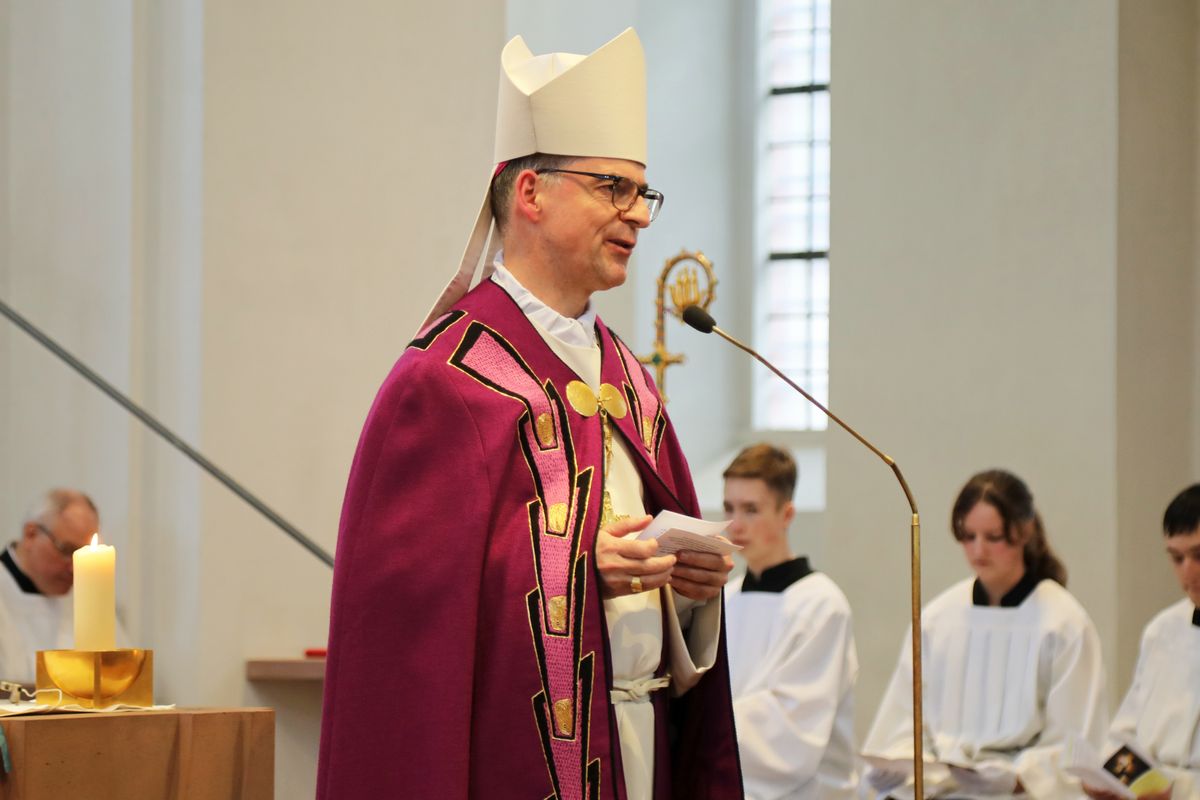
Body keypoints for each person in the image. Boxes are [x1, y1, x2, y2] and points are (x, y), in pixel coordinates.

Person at [317, 29, 743, 800]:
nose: (639, 216)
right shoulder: (442, 384)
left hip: (641, 753)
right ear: (531, 193)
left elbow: (656, 633)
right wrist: (587, 571)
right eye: (613, 188)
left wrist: (687, 591)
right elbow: (409, 655)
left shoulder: (629, 384)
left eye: (641, 192)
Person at [861, 468, 1108, 799]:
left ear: (1024, 532)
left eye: (993, 537)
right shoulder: (937, 620)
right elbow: (904, 724)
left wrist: (1019, 777)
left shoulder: (1062, 623)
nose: (979, 551)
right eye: (968, 536)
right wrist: (905, 765)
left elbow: (1076, 740)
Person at [721, 444, 859, 799]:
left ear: (787, 514)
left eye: (751, 510)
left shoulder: (822, 604)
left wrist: (700, 721)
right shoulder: (726, 598)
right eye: (729, 508)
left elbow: (792, 731)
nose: (735, 525)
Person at [1083, 484, 1200, 800]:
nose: (1188, 572)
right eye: (1176, 558)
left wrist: (1178, 791)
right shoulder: (1162, 631)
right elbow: (1125, 733)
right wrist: (1110, 776)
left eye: (1199, 555)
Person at [0, 489, 98, 686]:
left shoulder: (87, 600)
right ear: (31, 535)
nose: (74, 568)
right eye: (67, 550)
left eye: (84, 555)